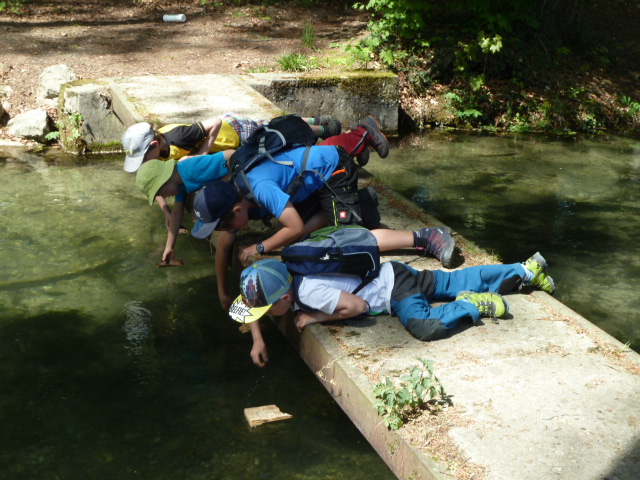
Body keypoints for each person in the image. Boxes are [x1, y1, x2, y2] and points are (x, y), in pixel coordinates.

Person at [229, 253, 556, 367]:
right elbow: (251, 305)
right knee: (455, 279)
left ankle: (472, 305)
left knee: (424, 326)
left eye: (265, 311)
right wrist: (257, 338)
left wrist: (315, 316)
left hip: (393, 291)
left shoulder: (309, 293)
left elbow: (357, 306)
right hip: (392, 271)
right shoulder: (282, 273)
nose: (262, 315)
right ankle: (525, 271)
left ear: (285, 299)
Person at [122, 113, 341, 227]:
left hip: (237, 133)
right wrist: (166, 212)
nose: (143, 163)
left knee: (273, 129)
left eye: (143, 158)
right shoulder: (165, 162)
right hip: (230, 147)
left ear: (154, 146)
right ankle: (317, 124)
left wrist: (202, 154)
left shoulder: (179, 140)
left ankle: (322, 127)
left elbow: (216, 126)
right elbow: (162, 188)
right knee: (270, 126)